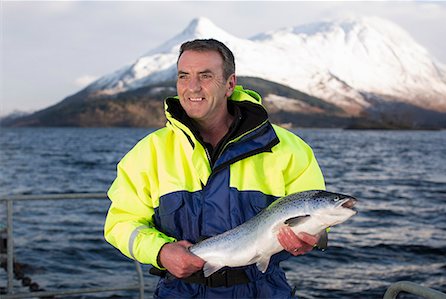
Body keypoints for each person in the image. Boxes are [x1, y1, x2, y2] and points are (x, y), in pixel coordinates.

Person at [104, 38, 325, 298]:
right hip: (179, 292)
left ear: (230, 84)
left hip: (263, 290)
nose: (192, 87)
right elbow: (120, 223)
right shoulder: (148, 152)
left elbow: (318, 211)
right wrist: (161, 252)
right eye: (184, 76)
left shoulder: (287, 148)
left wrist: (312, 237)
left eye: (205, 76)